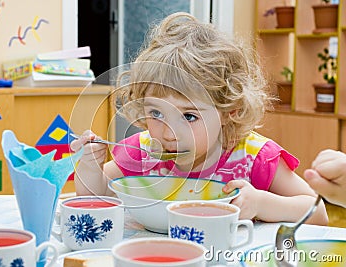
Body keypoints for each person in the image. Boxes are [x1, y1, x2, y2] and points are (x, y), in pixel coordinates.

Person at [70, 12, 328, 225]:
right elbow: (98, 196)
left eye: (189, 116)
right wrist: (90, 166)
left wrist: (261, 203)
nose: (169, 133)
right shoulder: (142, 151)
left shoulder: (254, 157)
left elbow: (318, 212)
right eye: (157, 113)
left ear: (230, 112)